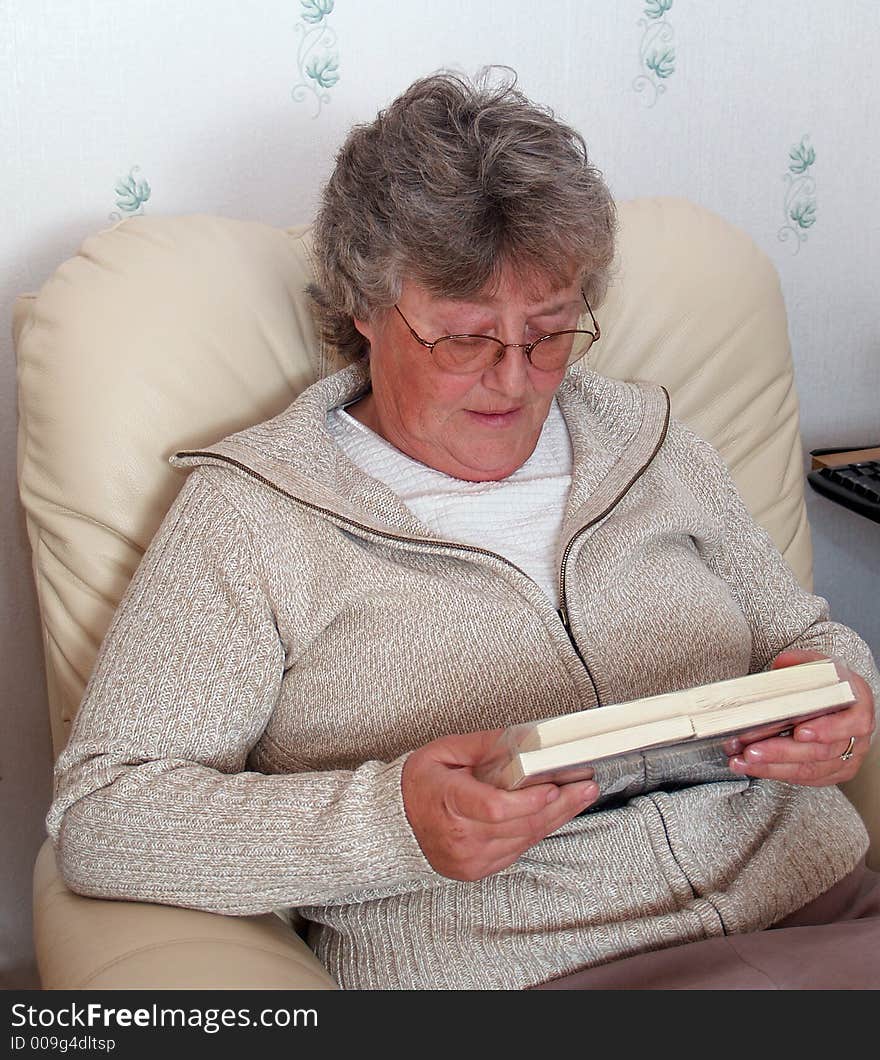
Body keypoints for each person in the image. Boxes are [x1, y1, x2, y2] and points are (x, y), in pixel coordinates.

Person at [47, 68, 880, 991]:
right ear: (363, 306)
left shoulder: (654, 444)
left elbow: (802, 637)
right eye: (465, 338)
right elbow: (108, 819)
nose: (516, 379)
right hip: (533, 975)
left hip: (827, 910)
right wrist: (392, 822)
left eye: (551, 331)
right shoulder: (252, 516)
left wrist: (843, 697)